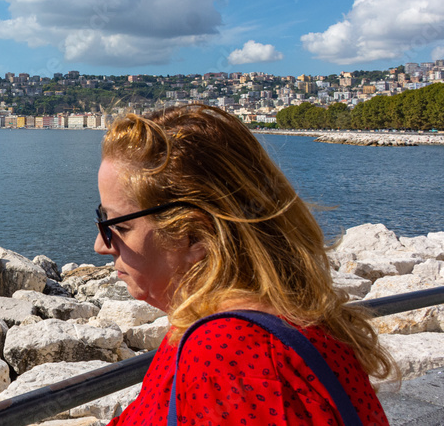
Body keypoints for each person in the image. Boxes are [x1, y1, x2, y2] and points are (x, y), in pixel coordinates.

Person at [96, 104, 393, 425]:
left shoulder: (227, 357)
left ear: (196, 235)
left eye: (118, 227)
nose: (100, 245)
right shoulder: (276, 323)